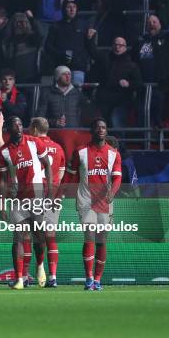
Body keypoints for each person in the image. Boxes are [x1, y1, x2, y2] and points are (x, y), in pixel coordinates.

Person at [63, 118, 122, 291]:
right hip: (86, 200)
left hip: (105, 201)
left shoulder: (113, 153)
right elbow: (71, 175)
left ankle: (97, 279)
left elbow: (118, 177)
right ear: (92, 131)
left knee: (101, 241)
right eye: (98, 127)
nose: (101, 130)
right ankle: (88, 278)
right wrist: (61, 192)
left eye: (104, 127)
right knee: (89, 237)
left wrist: (112, 192)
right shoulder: (80, 152)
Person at [0, 115, 52, 290]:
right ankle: (19, 278)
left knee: (39, 236)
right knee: (18, 239)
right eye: (15, 125)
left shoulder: (35, 142)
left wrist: (49, 192)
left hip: (36, 194)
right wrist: (2, 204)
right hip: (17, 198)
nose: (19, 127)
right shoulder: (4, 152)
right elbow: (4, 181)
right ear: (9, 130)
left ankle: (40, 265)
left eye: (21, 124)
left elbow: (48, 165)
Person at [26, 117, 65, 288]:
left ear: (34, 129)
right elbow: (61, 174)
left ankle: (32, 271)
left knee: (31, 235)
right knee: (50, 236)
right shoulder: (58, 148)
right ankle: (53, 277)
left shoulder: (30, 144)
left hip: (34, 193)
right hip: (53, 195)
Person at [87, 31, 143, 128]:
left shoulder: (131, 65)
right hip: (104, 100)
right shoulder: (105, 58)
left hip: (121, 101)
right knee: (102, 125)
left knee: (116, 122)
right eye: (116, 45)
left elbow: (139, 84)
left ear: (125, 48)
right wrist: (89, 39)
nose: (118, 47)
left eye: (121, 45)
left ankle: (120, 143)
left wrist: (129, 84)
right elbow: (93, 52)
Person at [45, 0, 90, 85]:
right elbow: (48, 47)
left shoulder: (84, 25)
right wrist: (61, 55)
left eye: (74, 7)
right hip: (61, 68)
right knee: (58, 96)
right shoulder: (56, 26)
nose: (72, 9)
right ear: (64, 9)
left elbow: (89, 46)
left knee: (76, 96)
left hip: (78, 68)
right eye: (69, 7)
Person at [1, 11, 43, 84]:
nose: (19, 24)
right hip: (15, 80)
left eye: (22, 22)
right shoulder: (9, 41)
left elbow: (41, 34)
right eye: (17, 22)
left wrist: (31, 18)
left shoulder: (32, 37)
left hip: (32, 78)